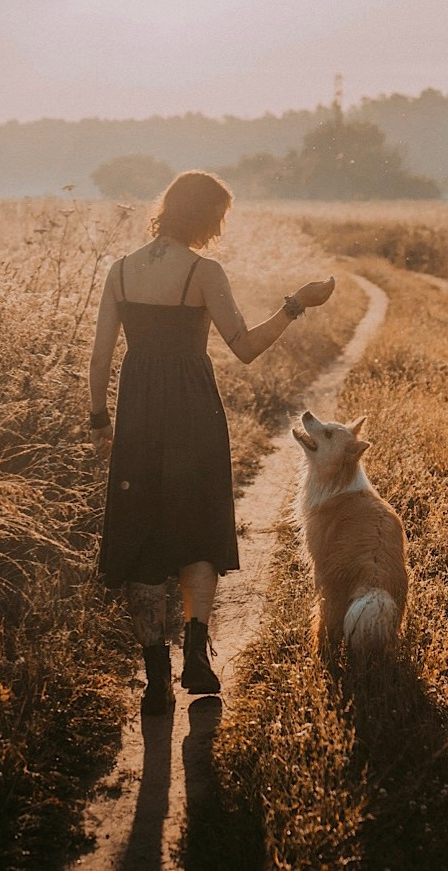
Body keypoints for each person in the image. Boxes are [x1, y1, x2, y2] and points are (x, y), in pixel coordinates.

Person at [87, 169, 335, 714]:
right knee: (197, 526)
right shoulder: (203, 271)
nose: (220, 227)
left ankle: (155, 677)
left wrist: (100, 420)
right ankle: (196, 652)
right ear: (204, 217)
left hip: (137, 414)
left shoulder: (120, 271)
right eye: (219, 216)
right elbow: (245, 347)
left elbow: (100, 357)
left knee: (142, 535)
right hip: (192, 411)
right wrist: (296, 303)